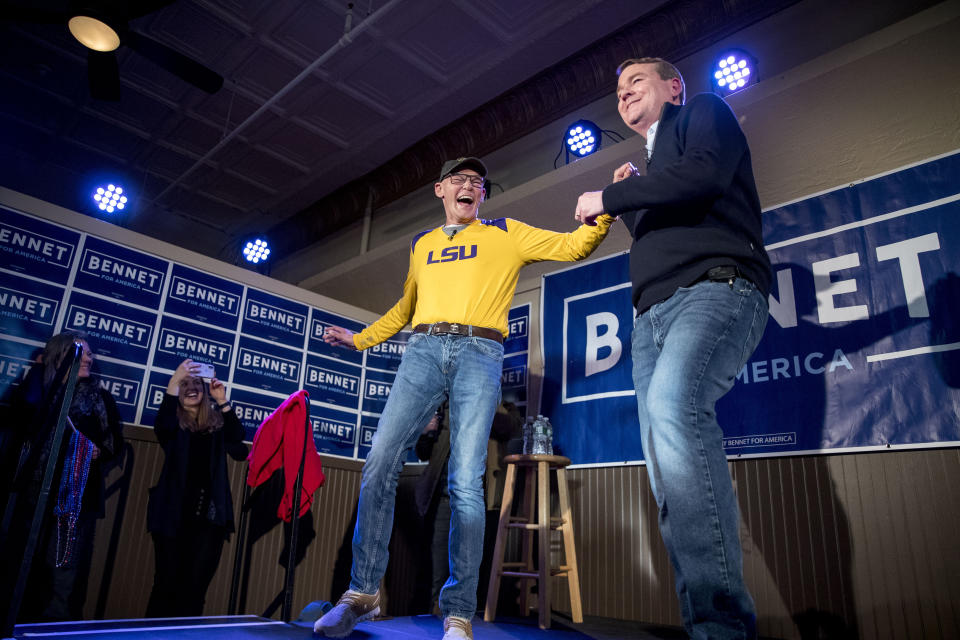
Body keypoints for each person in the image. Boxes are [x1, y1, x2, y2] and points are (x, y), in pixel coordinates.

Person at [316, 156, 614, 639]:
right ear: (440, 190)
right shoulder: (422, 244)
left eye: (477, 182)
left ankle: (458, 613)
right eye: (459, 179)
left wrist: (606, 211)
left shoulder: (505, 233)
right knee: (379, 463)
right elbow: (404, 308)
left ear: (483, 195)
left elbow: (572, 246)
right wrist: (360, 340)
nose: (470, 186)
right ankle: (363, 594)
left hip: (480, 351)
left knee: (467, 485)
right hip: (424, 348)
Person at [574, 57, 772, 639]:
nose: (623, 93)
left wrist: (611, 198)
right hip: (650, 317)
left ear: (674, 87)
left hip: (715, 287)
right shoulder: (652, 168)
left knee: (674, 411)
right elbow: (662, 235)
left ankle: (722, 628)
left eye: (636, 81)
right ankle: (703, 624)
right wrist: (631, 200)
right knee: (664, 461)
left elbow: (708, 175)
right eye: (617, 88)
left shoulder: (703, 114)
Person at [2, 331, 124, 622]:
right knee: (19, 564)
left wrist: (97, 451)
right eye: (81, 352)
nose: (89, 358)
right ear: (62, 355)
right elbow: (22, 417)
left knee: (61, 575)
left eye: (91, 354)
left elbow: (113, 444)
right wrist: (43, 370)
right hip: (29, 494)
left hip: (72, 499)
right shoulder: (39, 390)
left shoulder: (99, 397)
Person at [145, 359, 244, 617]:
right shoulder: (172, 426)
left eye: (197, 384)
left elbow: (239, 446)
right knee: (165, 586)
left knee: (195, 590)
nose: (191, 388)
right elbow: (162, 424)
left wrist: (222, 400)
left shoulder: (217, 426)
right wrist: (173, 380)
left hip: (209, 521)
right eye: (185, 384)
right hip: (172, 517)